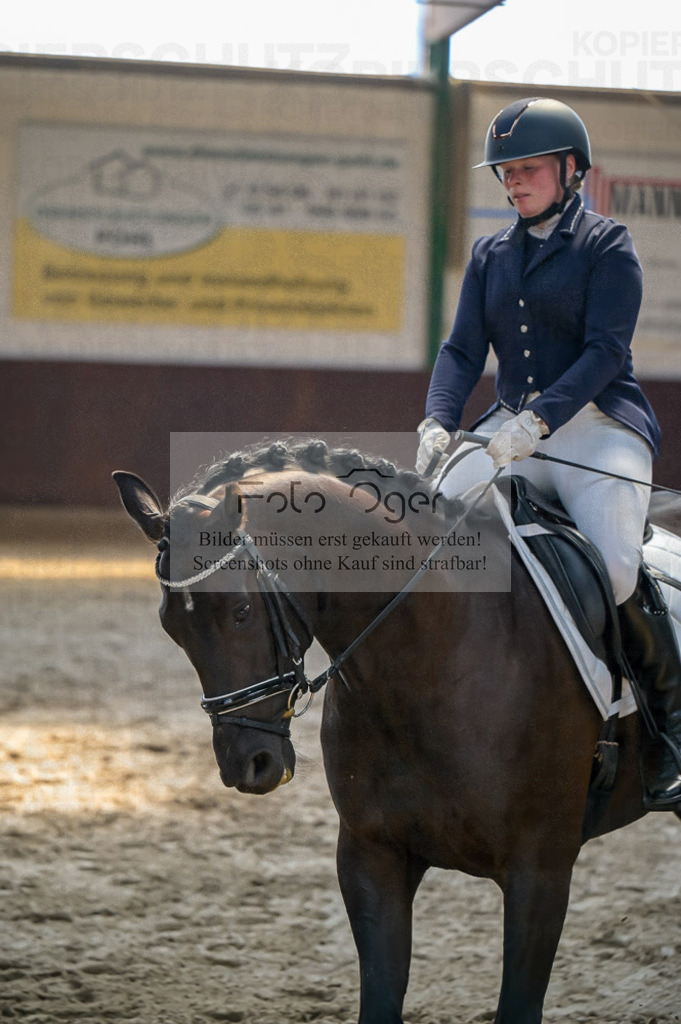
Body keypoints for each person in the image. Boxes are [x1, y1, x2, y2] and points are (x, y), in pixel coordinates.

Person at [416, 96, 681, 810]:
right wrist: (439, 423)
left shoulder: (606, 245)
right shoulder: (490, 254)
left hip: (595, 427)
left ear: (569, 170)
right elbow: (462, 348)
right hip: (507, 429)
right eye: (505, 171)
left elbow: (604, 352)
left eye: (527, 168)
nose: (512, 182)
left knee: (618, 566)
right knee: (431, 525)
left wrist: (538, 421)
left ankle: (668, 724)